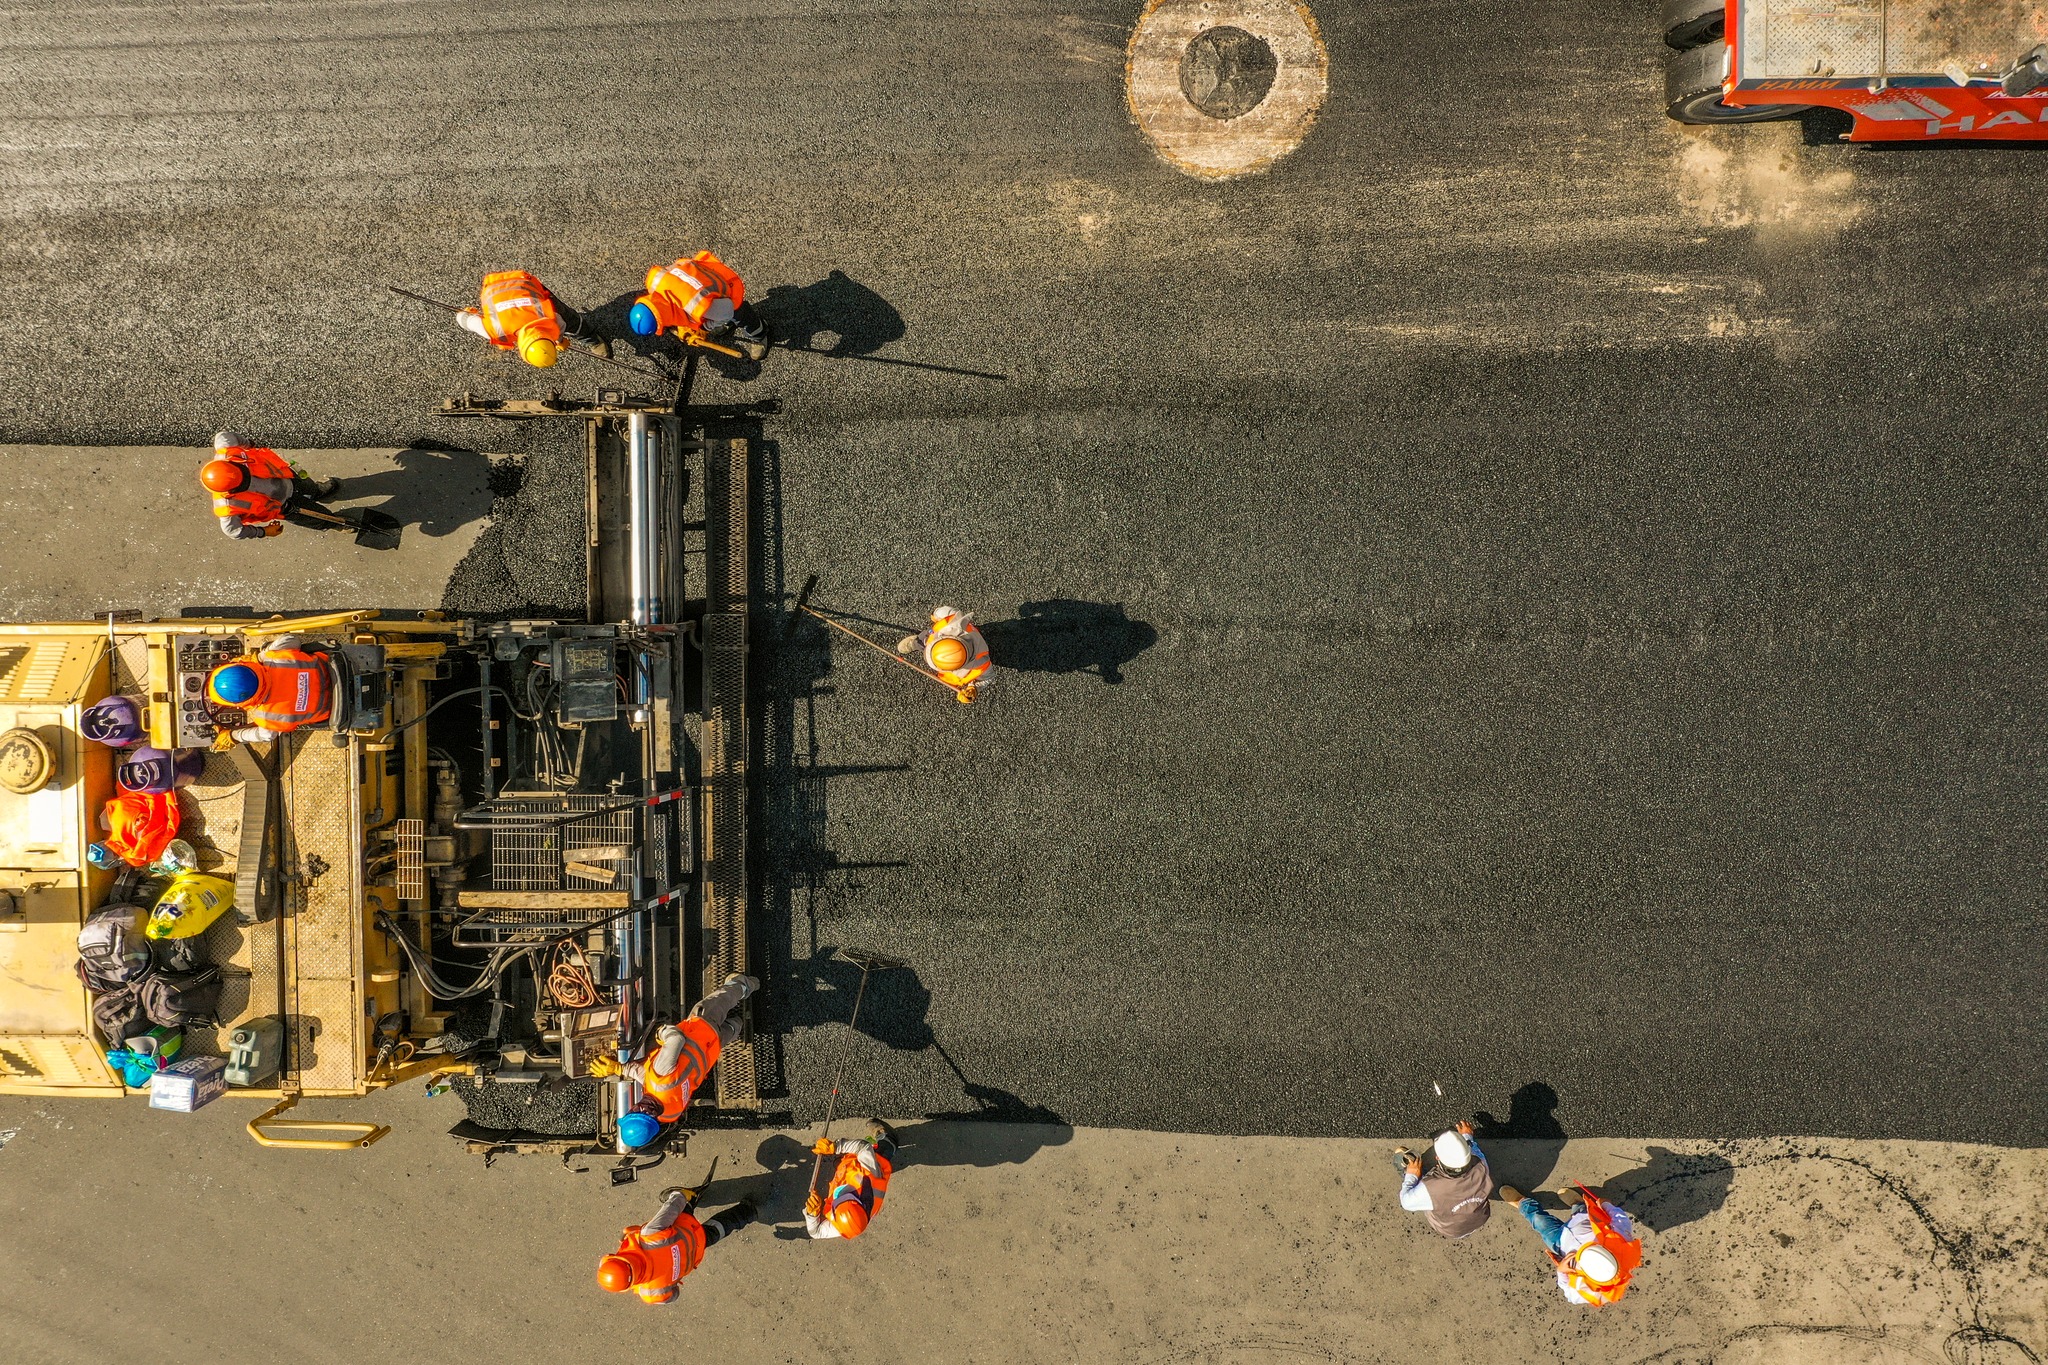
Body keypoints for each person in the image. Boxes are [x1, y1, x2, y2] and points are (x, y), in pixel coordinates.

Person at [606, 973, 759, 1150]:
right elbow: (676, 1039)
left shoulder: (669, 1114)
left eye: (634, 1111)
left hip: (709, 1051)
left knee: (728, 1031)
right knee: (722, 1000)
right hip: (701, 1028)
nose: (639, 1108)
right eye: (637, 1112)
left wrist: (620, 1069)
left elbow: (648, 1080)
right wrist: (661, 1032)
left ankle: (738, 1024)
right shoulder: (660, 1074)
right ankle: (746, 985)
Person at [596, 1184, 756, 1305]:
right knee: (681, 1205)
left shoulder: (651, 1294)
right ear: (617, 1258)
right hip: (686, 1226)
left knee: (721, 1227)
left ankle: (748, 1211)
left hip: (696, 1251)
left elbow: (674, 1295)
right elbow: (671, 1209)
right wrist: (680, 1195)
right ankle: (692, 1197)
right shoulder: (650, 1236)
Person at [1496, 1181, 1644, 1305]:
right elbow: (1620, 1218)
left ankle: (1523, 1203)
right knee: (1581, 1209)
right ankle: (1577, 1203)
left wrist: (1561, 1271)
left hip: (1560, 1242)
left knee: (1538, 1221)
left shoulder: (1590, 1292)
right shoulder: (1622, 1242)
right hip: (1584, 1219)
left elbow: (1569, 1295)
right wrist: (1606, 1205)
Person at [200, 432, 343, 540]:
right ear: (229, 491)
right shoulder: (226, 507)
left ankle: (317, 492)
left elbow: (223, 435)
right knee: (318, 517)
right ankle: (336, 524)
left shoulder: (227, 450)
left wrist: (248, 444)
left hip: (285, 476)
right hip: (286, 506)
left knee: (308, 486)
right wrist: (263, 532)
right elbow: (233, 531)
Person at [629, 251, 768, 359]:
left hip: (724, 289)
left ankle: (759, 334)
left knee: (740, 315)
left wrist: (705, 327)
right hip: (703, 276)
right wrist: (683, 326)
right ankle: (723, 322)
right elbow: (674, 306)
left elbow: (727, 310)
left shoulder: (696, 306)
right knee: (719, 315)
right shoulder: (655, 285)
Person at [456, 269, 609, 367]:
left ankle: (593, 339)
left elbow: (562, 324)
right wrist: (467, 313)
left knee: (570, 321)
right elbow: (462, 318)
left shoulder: (553, 318)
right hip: (500, 284)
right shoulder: (491, 329)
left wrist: (560, 340)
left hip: (523, 283)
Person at [205, 637, 334, 746]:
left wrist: (233, 736)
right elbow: (292, 639)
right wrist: (260, 656)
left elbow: (266, 736)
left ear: (239, 703)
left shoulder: (266, 718)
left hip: (333, 708)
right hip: (334, 667)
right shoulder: (273, 657)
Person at [1397, 1119, 1493, 1239]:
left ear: (1437, 1158)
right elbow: (1473, 1149)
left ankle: (1408, 1170)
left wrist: (1412, 1175)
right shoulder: (1481, 1165)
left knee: (1423, 1189)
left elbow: (1406, 1202)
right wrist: (1467, 1138)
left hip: (1449, 1230)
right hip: (1479, 1218)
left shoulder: (1431, 1189)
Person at [805, 1120, 897, 1240]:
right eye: (847, 1194)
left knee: (842, 1162)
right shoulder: (870, 1176)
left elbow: (816, 1233)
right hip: (876, 1164)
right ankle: (889, 1141)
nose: (841, 1194)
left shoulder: (843, 1225)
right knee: (883, 1152)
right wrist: (836, 1147)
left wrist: (812, 1215)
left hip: (848, 1171)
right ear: (859, 1202)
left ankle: (844, 1162)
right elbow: (862, 1147)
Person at [896, 605, 992, 704]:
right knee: (924, 639)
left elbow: (988, 678)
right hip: (938, 635)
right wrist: (937, 613)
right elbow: (947, 612)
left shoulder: (982, 664)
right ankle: (915, 643)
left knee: (924, 640)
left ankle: (917, 643)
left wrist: (974, 688)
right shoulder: (952, 622)